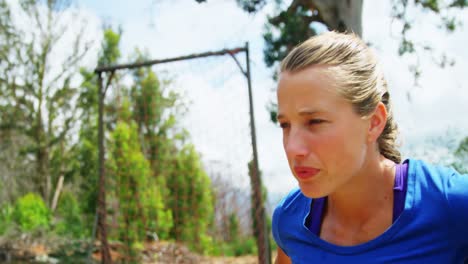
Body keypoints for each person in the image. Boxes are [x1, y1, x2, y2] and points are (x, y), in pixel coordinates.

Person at [272, 31, 468, 263]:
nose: (293, 147)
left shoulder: (453, 206)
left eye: (315, 122)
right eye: (285, 125)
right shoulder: (290, 221)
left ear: (374, 122)